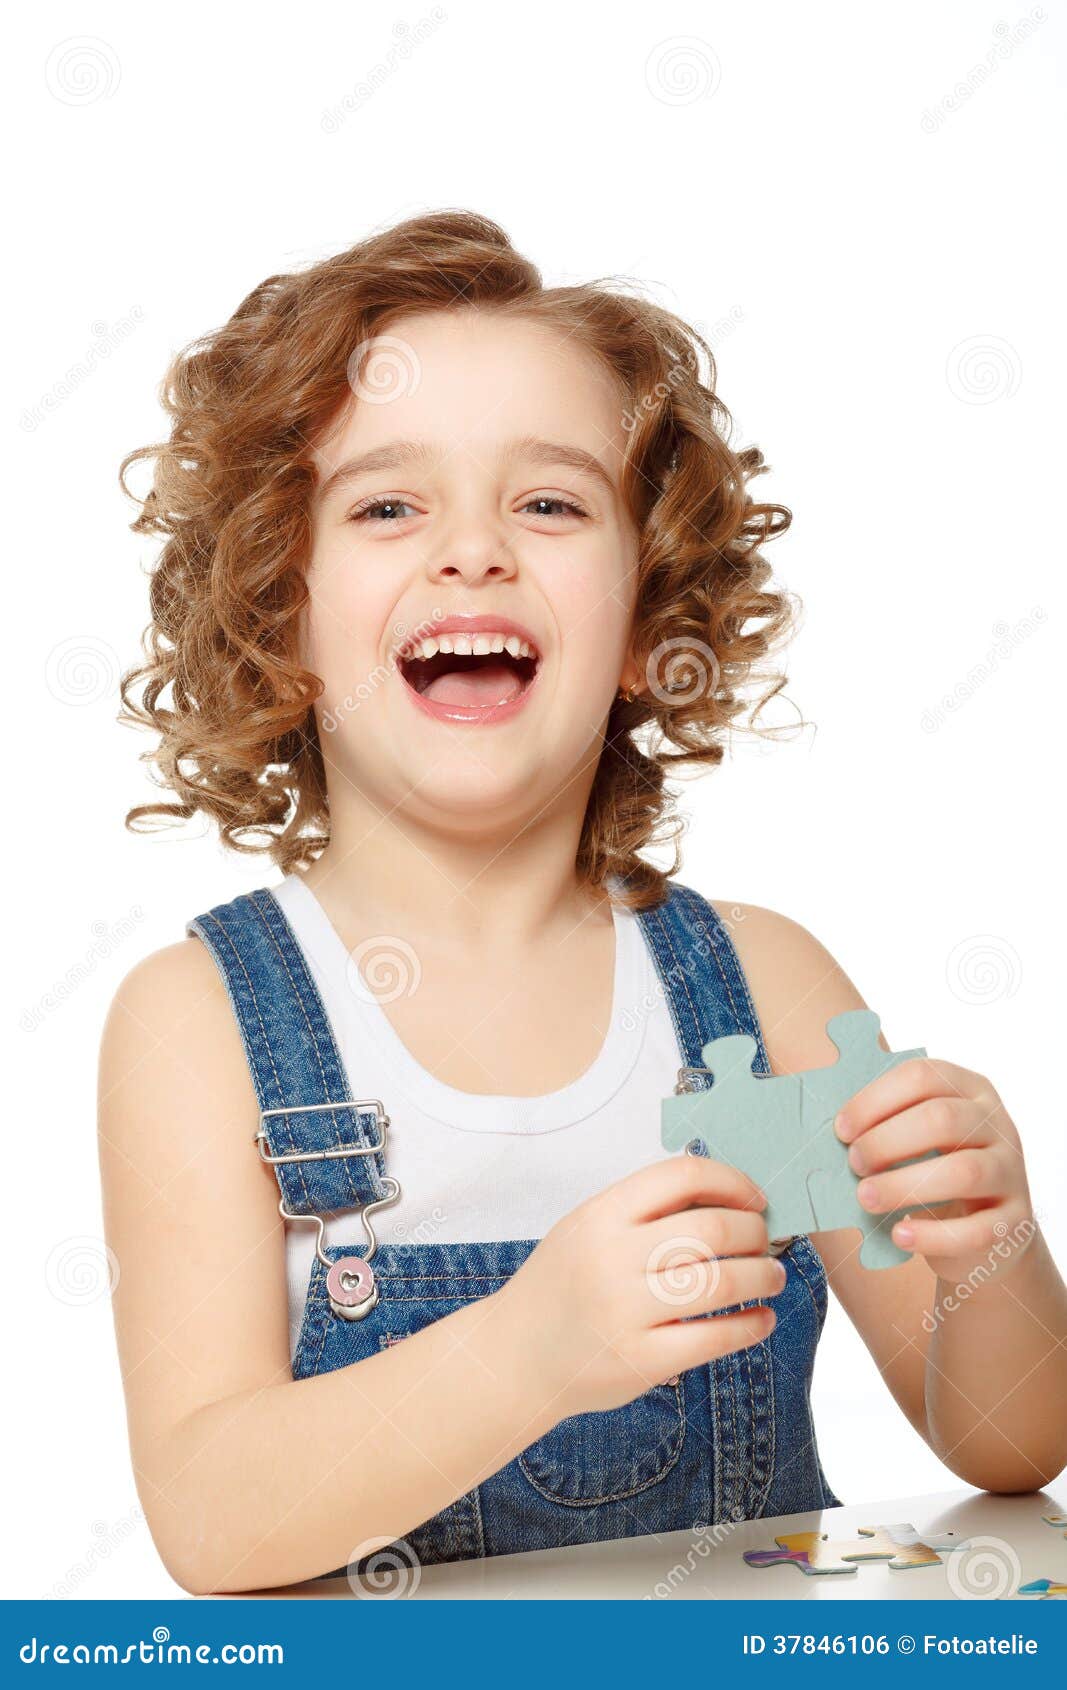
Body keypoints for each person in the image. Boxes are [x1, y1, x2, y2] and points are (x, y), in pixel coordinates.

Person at [98, 210, 1067, 1595]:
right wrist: (530, 1347)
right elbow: (212, 1514)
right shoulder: (202, 1023)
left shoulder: (762, 984)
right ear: (283, 619)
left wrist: (993, 1250)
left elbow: (1014, 1440)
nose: (474, 551)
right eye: (387, 505)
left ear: (642, 622)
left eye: (549, 502)